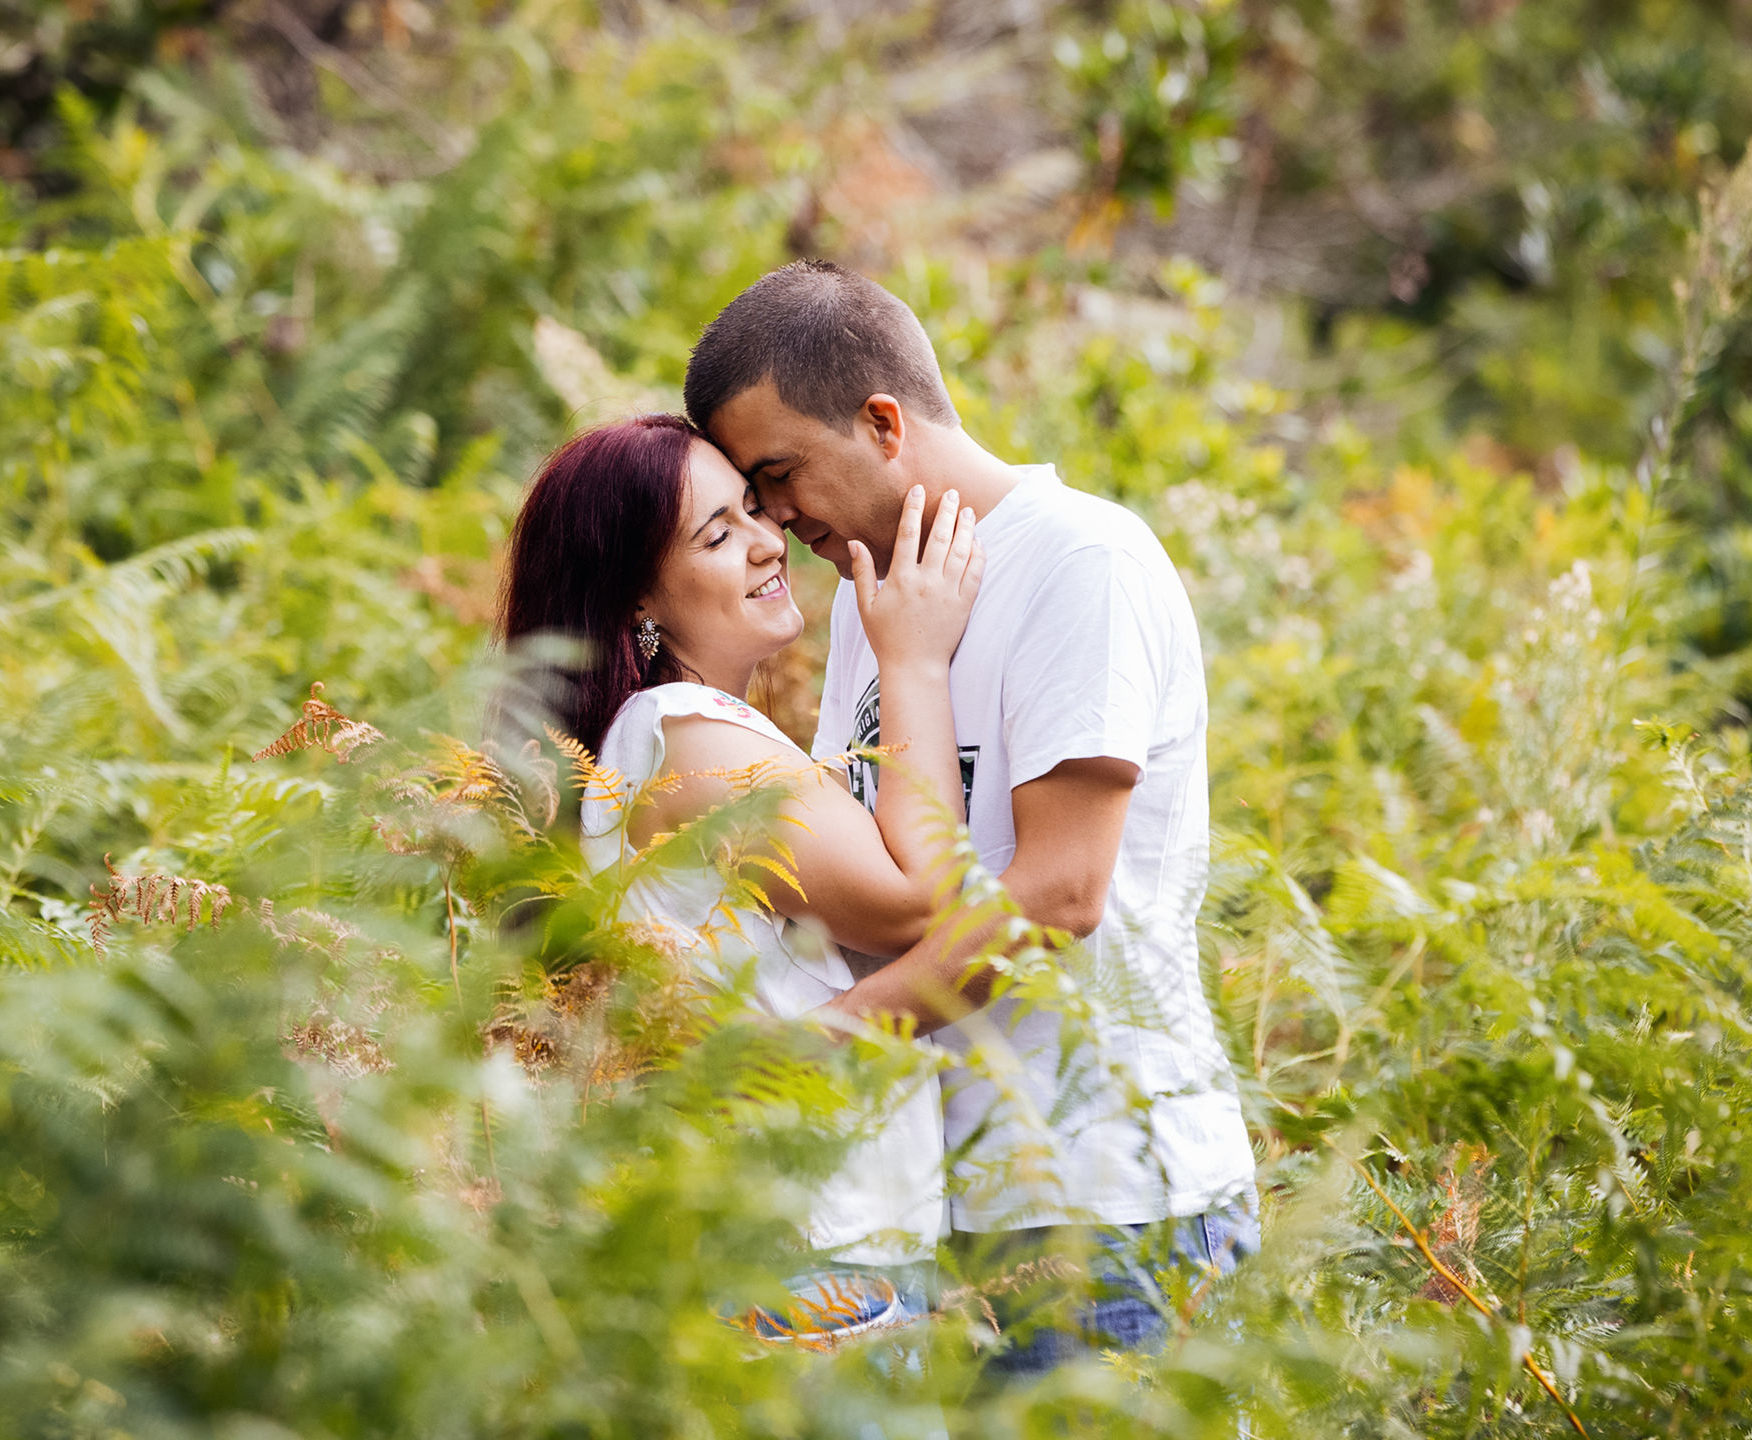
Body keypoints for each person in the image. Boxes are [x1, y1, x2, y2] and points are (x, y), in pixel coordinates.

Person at [684, 260, 1260, 1376]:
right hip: (952, 1209)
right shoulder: (877, 595)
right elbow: (884, 877)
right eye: (752, 498)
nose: (776, 517)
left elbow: (1060, 894)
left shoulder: (1081, 561)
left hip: (1112, 1206)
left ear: (884, 421)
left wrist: (832, 1038)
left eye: (780, 474)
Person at [496, 412, 984, 1337]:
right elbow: (919, 905)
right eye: (719, 534)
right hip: (803, 1271)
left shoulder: (668, 738)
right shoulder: (688, 738)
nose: (770, 543)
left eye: (758, 511)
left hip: (798, 1256)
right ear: (636, 597)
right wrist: (912, 656)